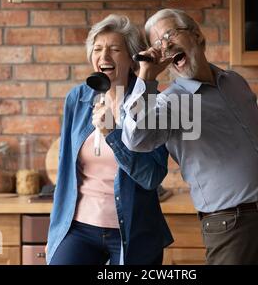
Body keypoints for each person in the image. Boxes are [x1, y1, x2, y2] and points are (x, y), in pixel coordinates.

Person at [121, 8, 258, 265]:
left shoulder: (234, 82)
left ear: (197, 35)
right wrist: (146, 76)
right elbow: (135, 138)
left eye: (169, 34)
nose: (165, 46)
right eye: (157, 44)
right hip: (231, 228)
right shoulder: (171, 103)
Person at [46, 14, 173, 265]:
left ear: (132, 58)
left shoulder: (152, 102)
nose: (104, 57)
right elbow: (65, 169)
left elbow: (151, 177)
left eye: (114, 50)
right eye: (97, 49)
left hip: (133, 232)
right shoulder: (77, 98)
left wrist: (112, 134)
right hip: (79, 229)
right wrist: (56, 230)